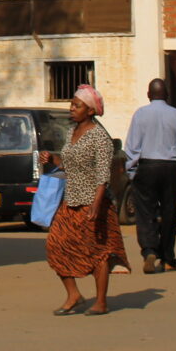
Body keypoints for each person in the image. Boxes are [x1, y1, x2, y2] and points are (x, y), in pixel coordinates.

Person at [41, 84, 131, 315]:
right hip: (71, 200)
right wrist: (52, 159)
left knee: (97, 251)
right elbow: (69, 165)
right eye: (72, 104)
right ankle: (74, 294)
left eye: (77, 105)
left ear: (90, 110)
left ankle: (101, 301)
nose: (72, 108)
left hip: (94, 203)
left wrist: (96, 204)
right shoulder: (72, 133)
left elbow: (103, 175)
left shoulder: (100, 137)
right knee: (56, 244)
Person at [125, 78, 176, 273]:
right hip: (170, 168)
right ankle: (168, 259)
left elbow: (132, 147)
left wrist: (132, 171)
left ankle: (149, 250)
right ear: (166, 95)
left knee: (145, 213)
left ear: (149, 95)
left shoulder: (140, 115)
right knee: (169, 214)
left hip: (147, 166)